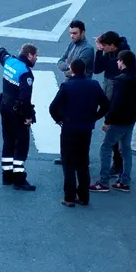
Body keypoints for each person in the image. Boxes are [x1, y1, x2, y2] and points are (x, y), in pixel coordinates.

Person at [49, 58, 110, 207]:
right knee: (83, 163)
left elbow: (53, 107)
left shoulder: (67, 86)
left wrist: (59, 120)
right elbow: (106, 105)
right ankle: (83, 196)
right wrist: (94, 118)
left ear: (73, 70)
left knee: (68, 163)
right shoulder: (94, 85)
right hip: (86, 129)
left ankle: (69, 197)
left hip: (69, 129)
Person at [90, 50, 136, 193]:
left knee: (106, 147)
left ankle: (103, 182)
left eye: (119, 60)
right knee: (126, 149)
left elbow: (116, 103)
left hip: (119, 120)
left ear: (124, 62)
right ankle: (125, 181)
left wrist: (107, 120)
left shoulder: (121, 80)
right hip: (131, 118)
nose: (117, 62)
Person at [0, 43, 39, 191]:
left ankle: (7, 175)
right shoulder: (26, 73)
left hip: (4, 106)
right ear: (29, 55)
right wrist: (28, 116)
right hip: (17, 112)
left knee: (8, 140)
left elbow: (2, 54)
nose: (36, 59)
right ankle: (19, 178)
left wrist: (1, 49)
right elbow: (25, 99)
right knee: (21, 144)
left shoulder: (10, 61)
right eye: (35, 56)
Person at [52, 20, 95, 166]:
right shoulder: (72, 45)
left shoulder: (87, 50)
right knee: (66, 122)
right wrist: (67, 67)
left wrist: (68, 68)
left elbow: (75, 70)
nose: (72, 36)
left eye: (75, 33)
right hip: (68, 87)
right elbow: (60, 62)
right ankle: (66, 156)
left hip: (80, 90)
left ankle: (79, 158)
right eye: (70, 33)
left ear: (83, 32)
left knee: (77, 124)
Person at [94, 30, 131, 176]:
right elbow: (97, 69)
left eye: (105, 46)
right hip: (109, 85)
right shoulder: (109, 52)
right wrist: (99, 52)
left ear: (112, 45)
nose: (104, 48)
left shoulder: (123, 55)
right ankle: (119, 165)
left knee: (115, 133)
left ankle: (118, 166)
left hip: (116, 90)